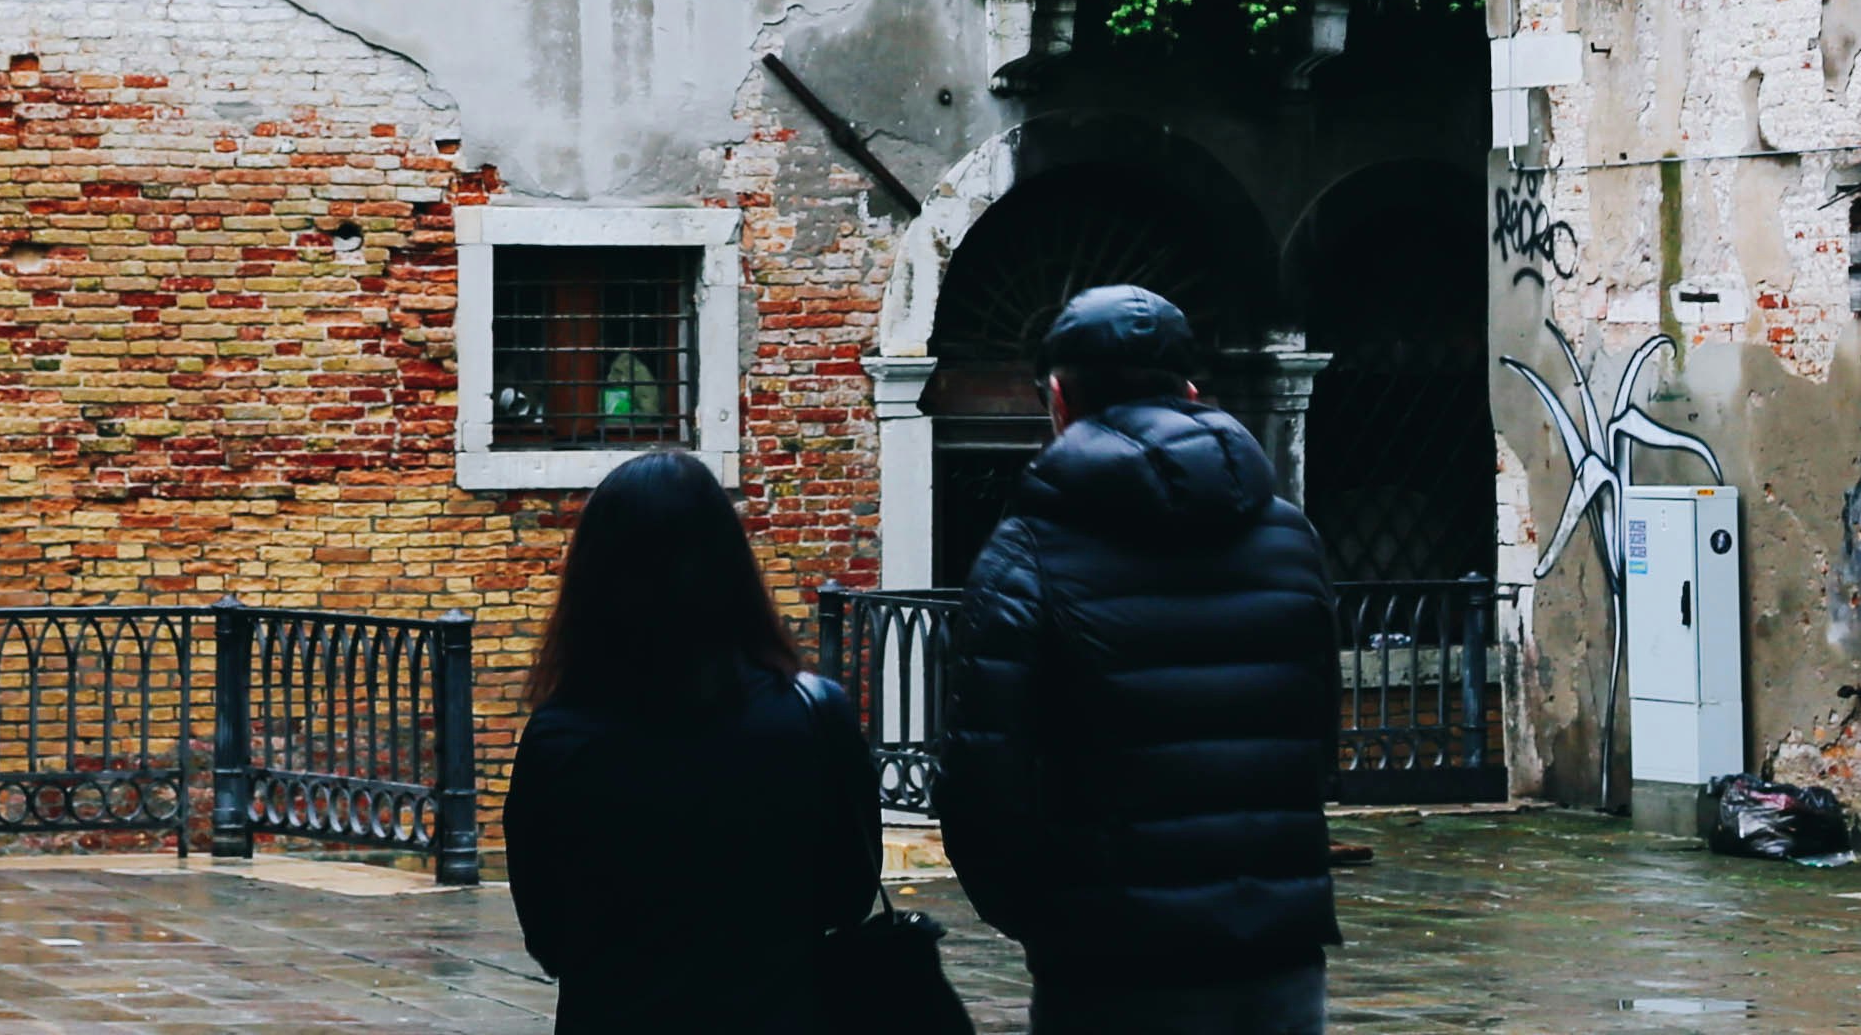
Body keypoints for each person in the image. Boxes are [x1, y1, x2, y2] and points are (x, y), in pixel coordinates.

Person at [937, 286, 1340, 1035]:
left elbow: (980, 786)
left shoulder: (1026, 553)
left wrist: (1047, 922)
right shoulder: (1290, 537)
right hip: (1276, 957)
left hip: (1113, 965)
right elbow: (1318, 741)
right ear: (1190, 393)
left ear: (1058, 400)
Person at [504, 445, 881, 1034]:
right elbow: (849, 894)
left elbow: (551, 938)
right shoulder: (814, 714)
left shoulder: (561, 741)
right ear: (731, 566)